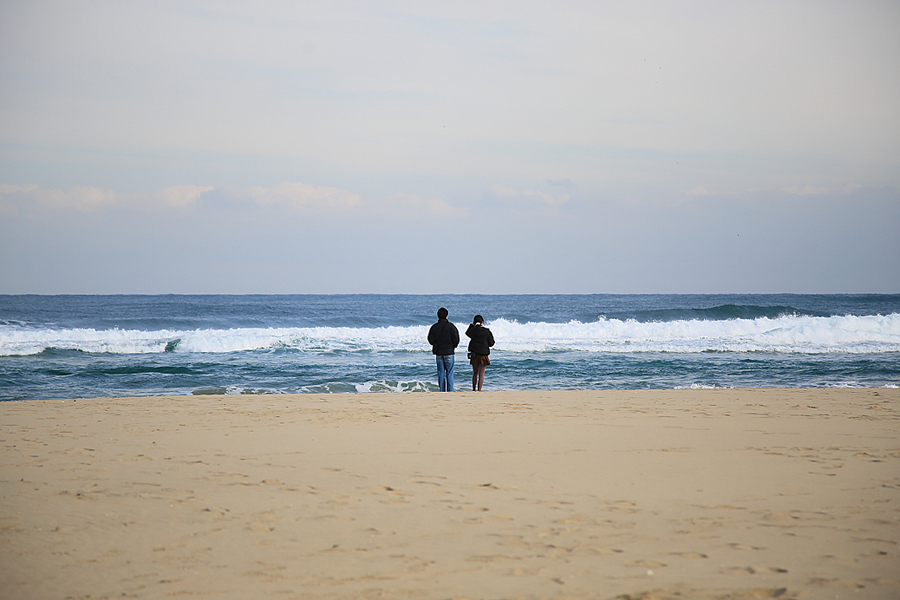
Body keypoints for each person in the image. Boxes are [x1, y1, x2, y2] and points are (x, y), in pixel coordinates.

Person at [427, 307, 460, 392]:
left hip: (438, 352)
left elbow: (430, 339)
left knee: (440, 372)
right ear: (446, 316)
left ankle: (442, 390)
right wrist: (453, 346)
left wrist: (435, 344)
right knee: (450, 372)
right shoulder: (451, 326)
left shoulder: (434, 327)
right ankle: (450, 390)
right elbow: (456, 339)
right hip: (449, 352)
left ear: (438, 316)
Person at [466, 314, 494, 391]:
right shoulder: (487, 331)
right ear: (482, 322)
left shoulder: (472, 331)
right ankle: (479, 390)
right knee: (481, 374)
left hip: (474, 354)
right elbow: (491, 343)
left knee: (475, 373)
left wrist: (472, 325)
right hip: (483, 354)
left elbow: (467, 333)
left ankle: (474, 389)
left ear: (474, 322)